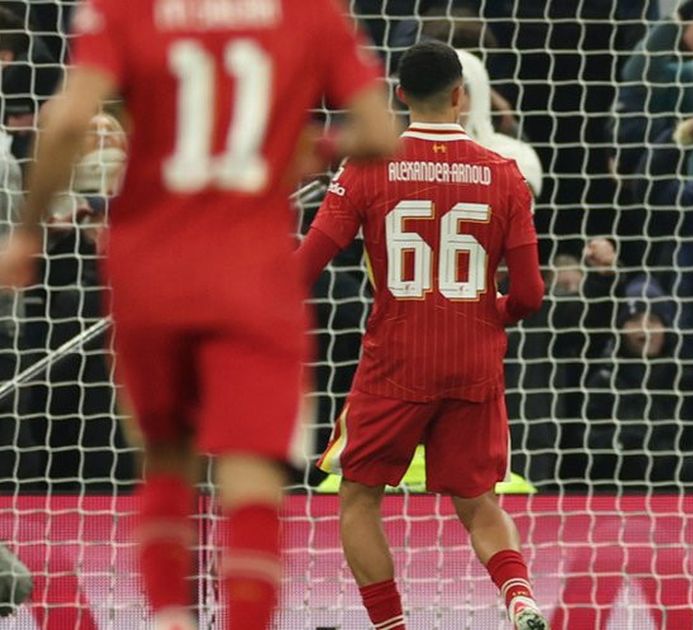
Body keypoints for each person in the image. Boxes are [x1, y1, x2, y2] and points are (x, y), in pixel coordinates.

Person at [0, 1, 397, 628]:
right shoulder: (310, 13)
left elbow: (68, 118)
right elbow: (379, 134)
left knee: (165, 454)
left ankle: (168, 617)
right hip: (253, 274)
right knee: (250, 469)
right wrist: (306, 145)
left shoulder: (124, 8)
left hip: (148, 267)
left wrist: (25, 234)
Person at [295, 41, 547, 630]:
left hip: (396, 358)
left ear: (400, 94)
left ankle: (392, 626)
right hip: (473, 360)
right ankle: (520, 598)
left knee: (358, 494)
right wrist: (492, 314)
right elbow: (531, 296)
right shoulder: (505, 174)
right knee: (479, 498)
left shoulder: (367, 164)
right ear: (461, 95)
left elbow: (303, 270)